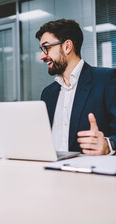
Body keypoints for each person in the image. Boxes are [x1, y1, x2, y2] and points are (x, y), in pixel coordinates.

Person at [36, 18, 116, 155]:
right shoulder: (48, 93)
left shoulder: (106, 80)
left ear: (67, 46)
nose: (42, 56)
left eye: (46, 47)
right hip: (49, 171)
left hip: (89, 172)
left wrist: (108, 144)